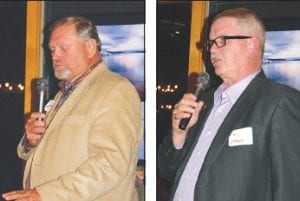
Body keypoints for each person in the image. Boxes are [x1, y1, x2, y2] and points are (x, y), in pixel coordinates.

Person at [158, 7, 300, 201]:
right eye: (210, 43)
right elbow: (167, 171)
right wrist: (178, 134)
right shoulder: (203, 102)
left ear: (251, 44)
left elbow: (291, 189)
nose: (212, 49)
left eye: (222, 41)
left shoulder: (278, 102)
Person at [2, 15, 143, 201]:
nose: (54, 56)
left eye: (63, 48)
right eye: (52, 49)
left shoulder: (115, 89)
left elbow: (110, 164)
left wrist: (46, 194)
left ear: (90, 47)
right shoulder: (66, 93)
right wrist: (31, 141)